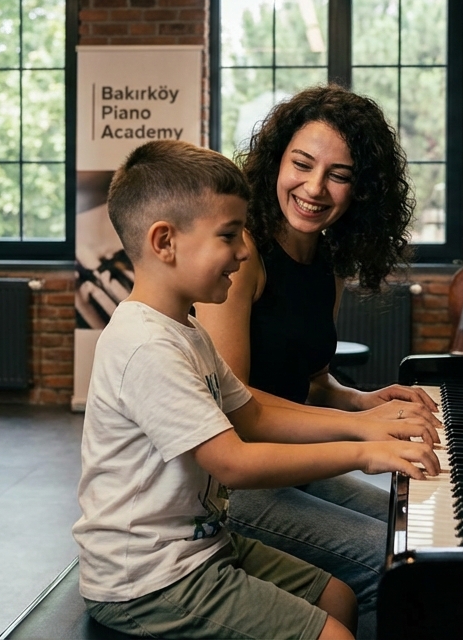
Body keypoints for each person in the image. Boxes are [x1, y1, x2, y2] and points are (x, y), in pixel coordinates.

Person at [72, 139, 440, 640]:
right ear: (164, 242)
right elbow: (233, 464)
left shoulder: (187, 330)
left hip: (200, 544)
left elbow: (255, 417)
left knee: (339, 596)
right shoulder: (145, 346)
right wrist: (362, 452)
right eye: (229, 235)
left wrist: (366, 428)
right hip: (149, 577)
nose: (245, 250)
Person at [195, 84, 440, 628]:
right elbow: (235, 406)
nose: (315, 188)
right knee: (395, 562)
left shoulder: (324, 262)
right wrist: (366, 431)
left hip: (292, 464)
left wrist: (364, 401)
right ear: (274, 162)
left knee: (417, 527)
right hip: (237, 482)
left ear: (361, 189)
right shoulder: (244, 257)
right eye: (302, 164)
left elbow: (311, 382)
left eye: (339, 174)